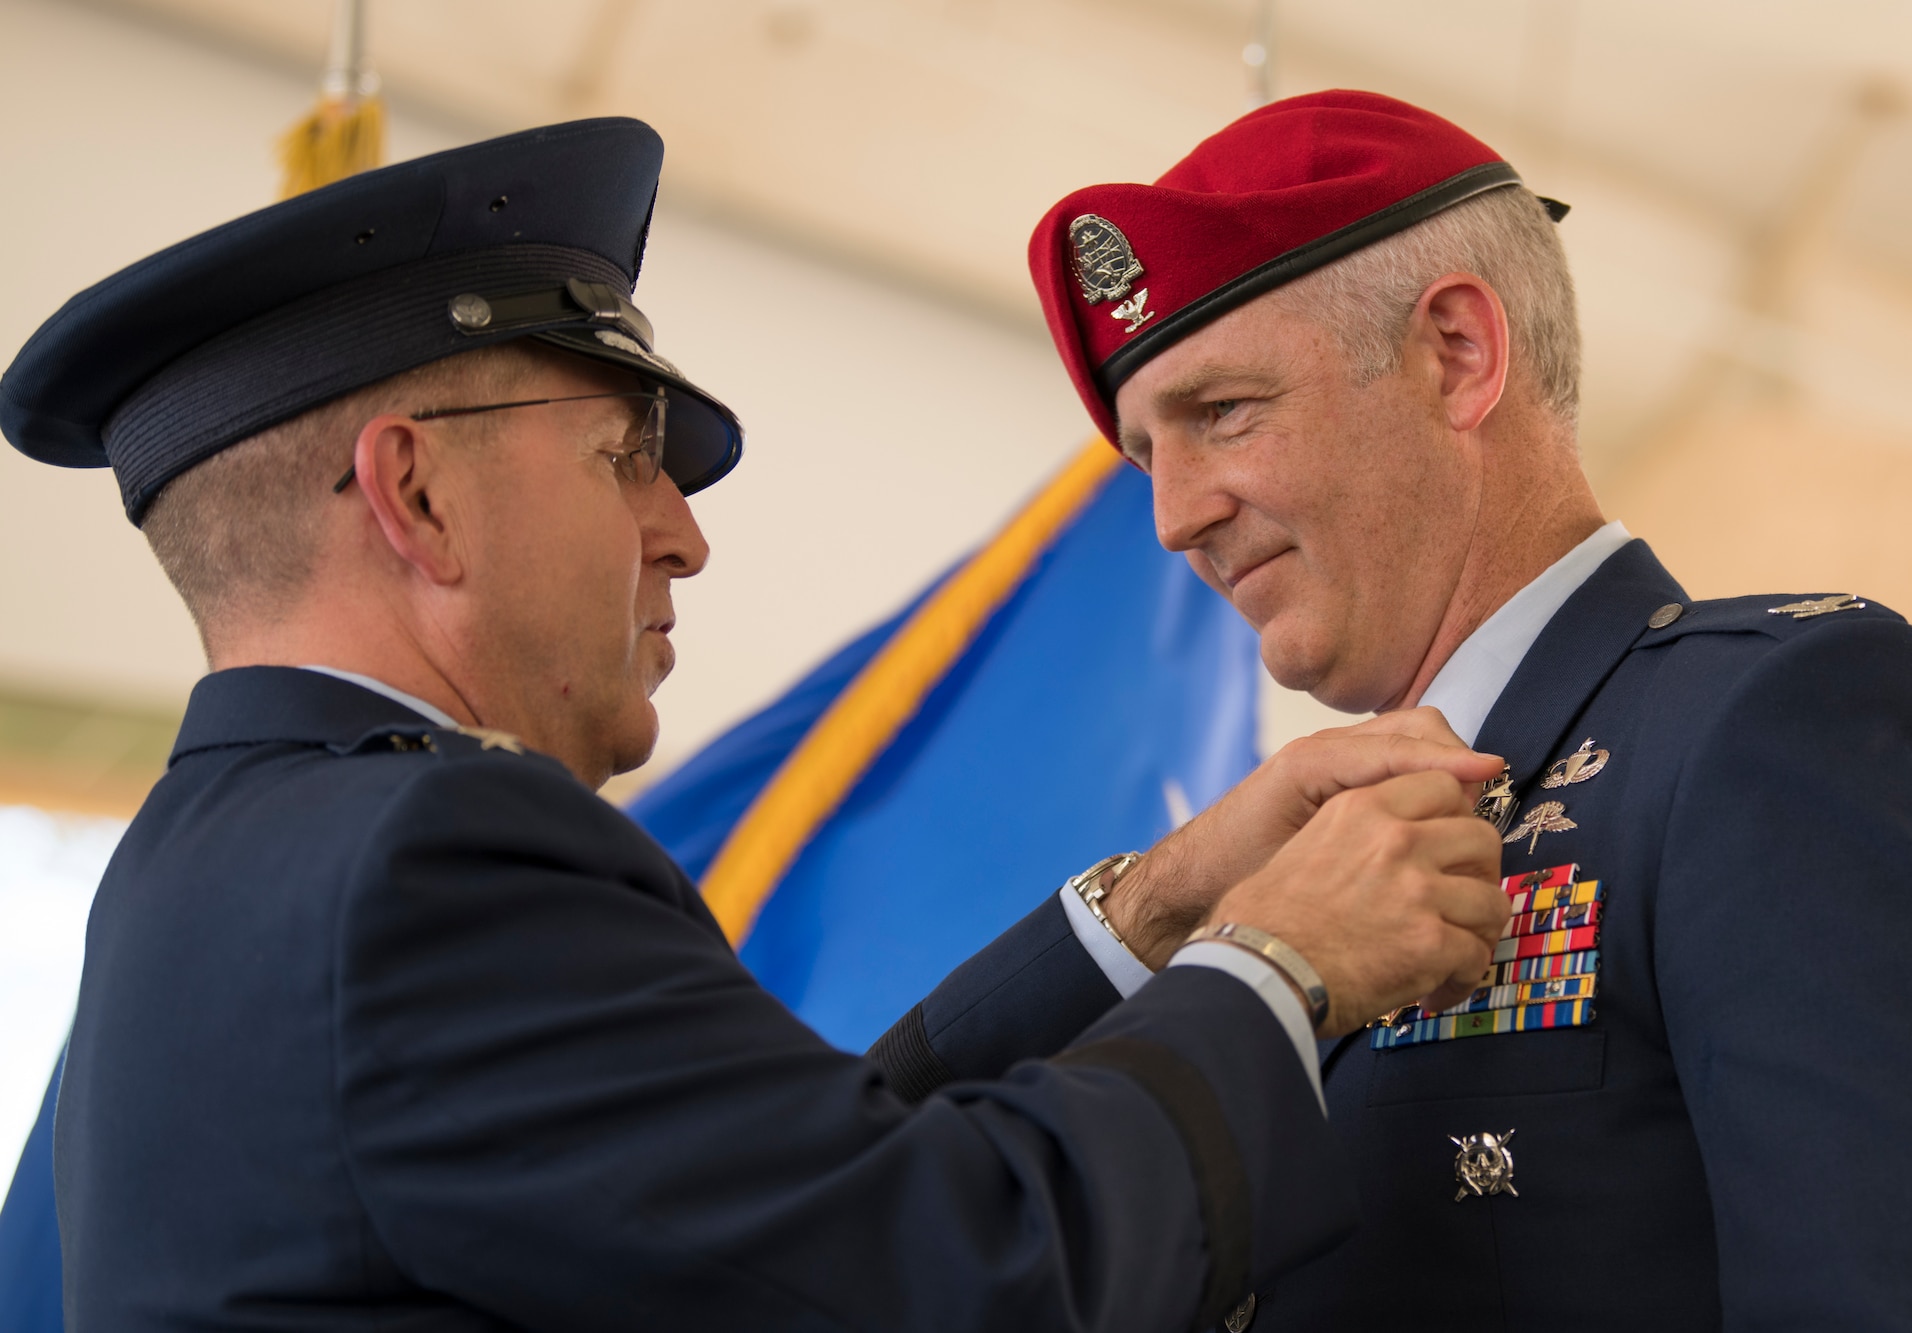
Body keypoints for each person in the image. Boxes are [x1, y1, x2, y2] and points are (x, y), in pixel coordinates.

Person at [0, 118, 1517, 1331]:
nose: (681, 535)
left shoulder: (219, 862)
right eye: (624, 458)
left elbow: (777, 1186)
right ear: (416, 493)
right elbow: (954, 1269)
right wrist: (1282, 962)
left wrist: (1156, 904)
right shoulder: (427, 861)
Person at [887, 90, 1912, 1330]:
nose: (1173, 518)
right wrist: (1157, 898)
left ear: (1456, 354)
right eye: (1147, 456)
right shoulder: (1275, 868)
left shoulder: (1774, 720)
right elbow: (872, 1206)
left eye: (1222, 413)